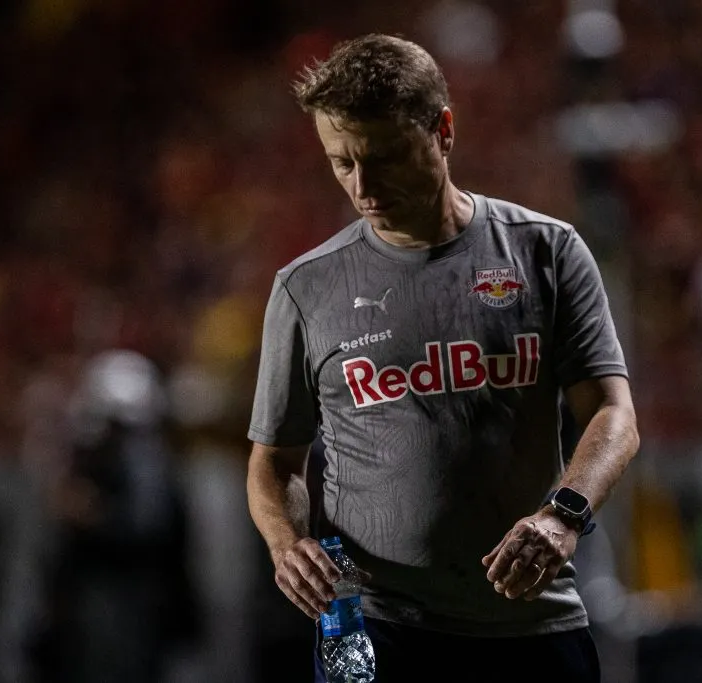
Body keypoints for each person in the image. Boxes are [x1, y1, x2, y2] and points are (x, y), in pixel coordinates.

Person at [247, 33, 640, 681]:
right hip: (379, 630)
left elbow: (614, 415)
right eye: (341, 163)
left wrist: (562, 516)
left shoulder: (546, 250)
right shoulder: (306, 287)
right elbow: (274, 460)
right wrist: (287, 545)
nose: (363, 186)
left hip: (530, 623)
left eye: (385, 158)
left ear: (443, 131)